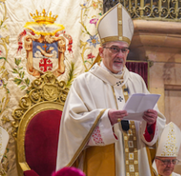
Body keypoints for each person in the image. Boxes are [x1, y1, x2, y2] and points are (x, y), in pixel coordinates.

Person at [56, 3, 166, 176]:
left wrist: (151, 122)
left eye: (124, 50)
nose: (119, 55)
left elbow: (158, 123)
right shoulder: (83, 83)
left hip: (138, 158)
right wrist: (105, 118)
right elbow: (72, 125)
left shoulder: (137, 81)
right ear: (101, 51)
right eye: (114, 49)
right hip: (101, 162)